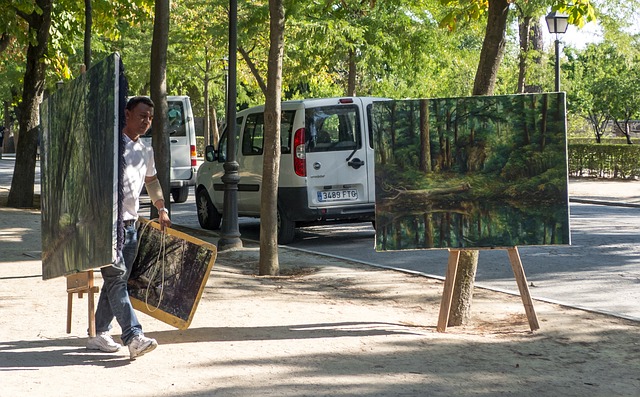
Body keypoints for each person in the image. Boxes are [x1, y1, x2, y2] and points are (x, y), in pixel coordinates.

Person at [87, 96, 171, 359]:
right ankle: (133, 336)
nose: (146, 121)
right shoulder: (110, 145)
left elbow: (152, 180)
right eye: (142, 115)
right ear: (127, 114)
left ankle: (99, 331)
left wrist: (161, 207)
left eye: (150, 117)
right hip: (105, 224)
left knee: (118, 280)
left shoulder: (145, 150)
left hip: (131, 225)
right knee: (116, 276)